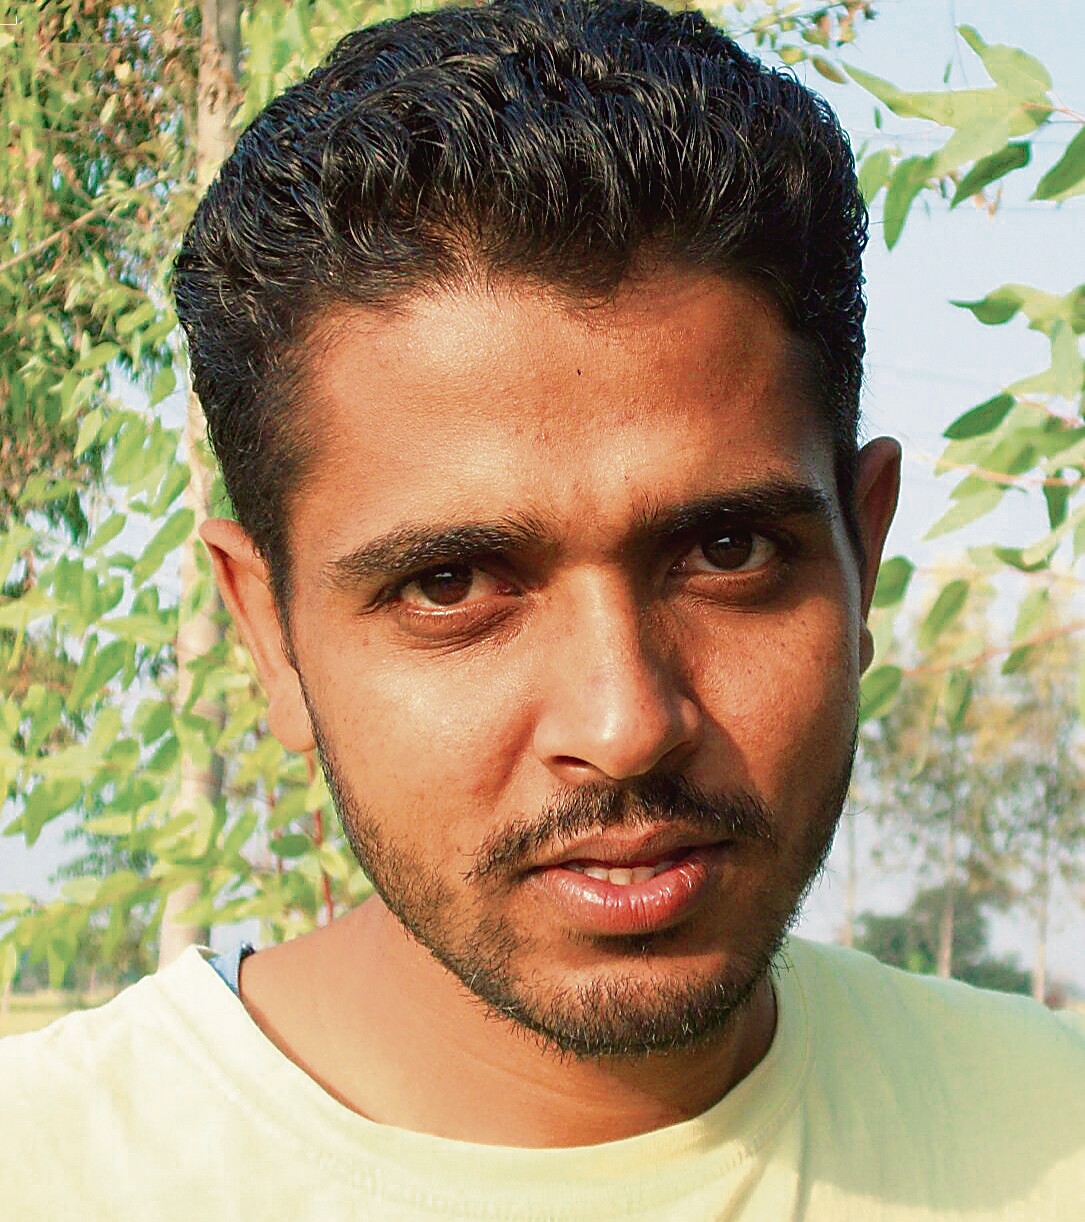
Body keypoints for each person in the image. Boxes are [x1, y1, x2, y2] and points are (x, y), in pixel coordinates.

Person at [3, 0, 1083, 1217]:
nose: (625, 725)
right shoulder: (43, 1173)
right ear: (271, 633)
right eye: (450, 585)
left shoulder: (1054, 1129)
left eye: (725, 552)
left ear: (860, 554)